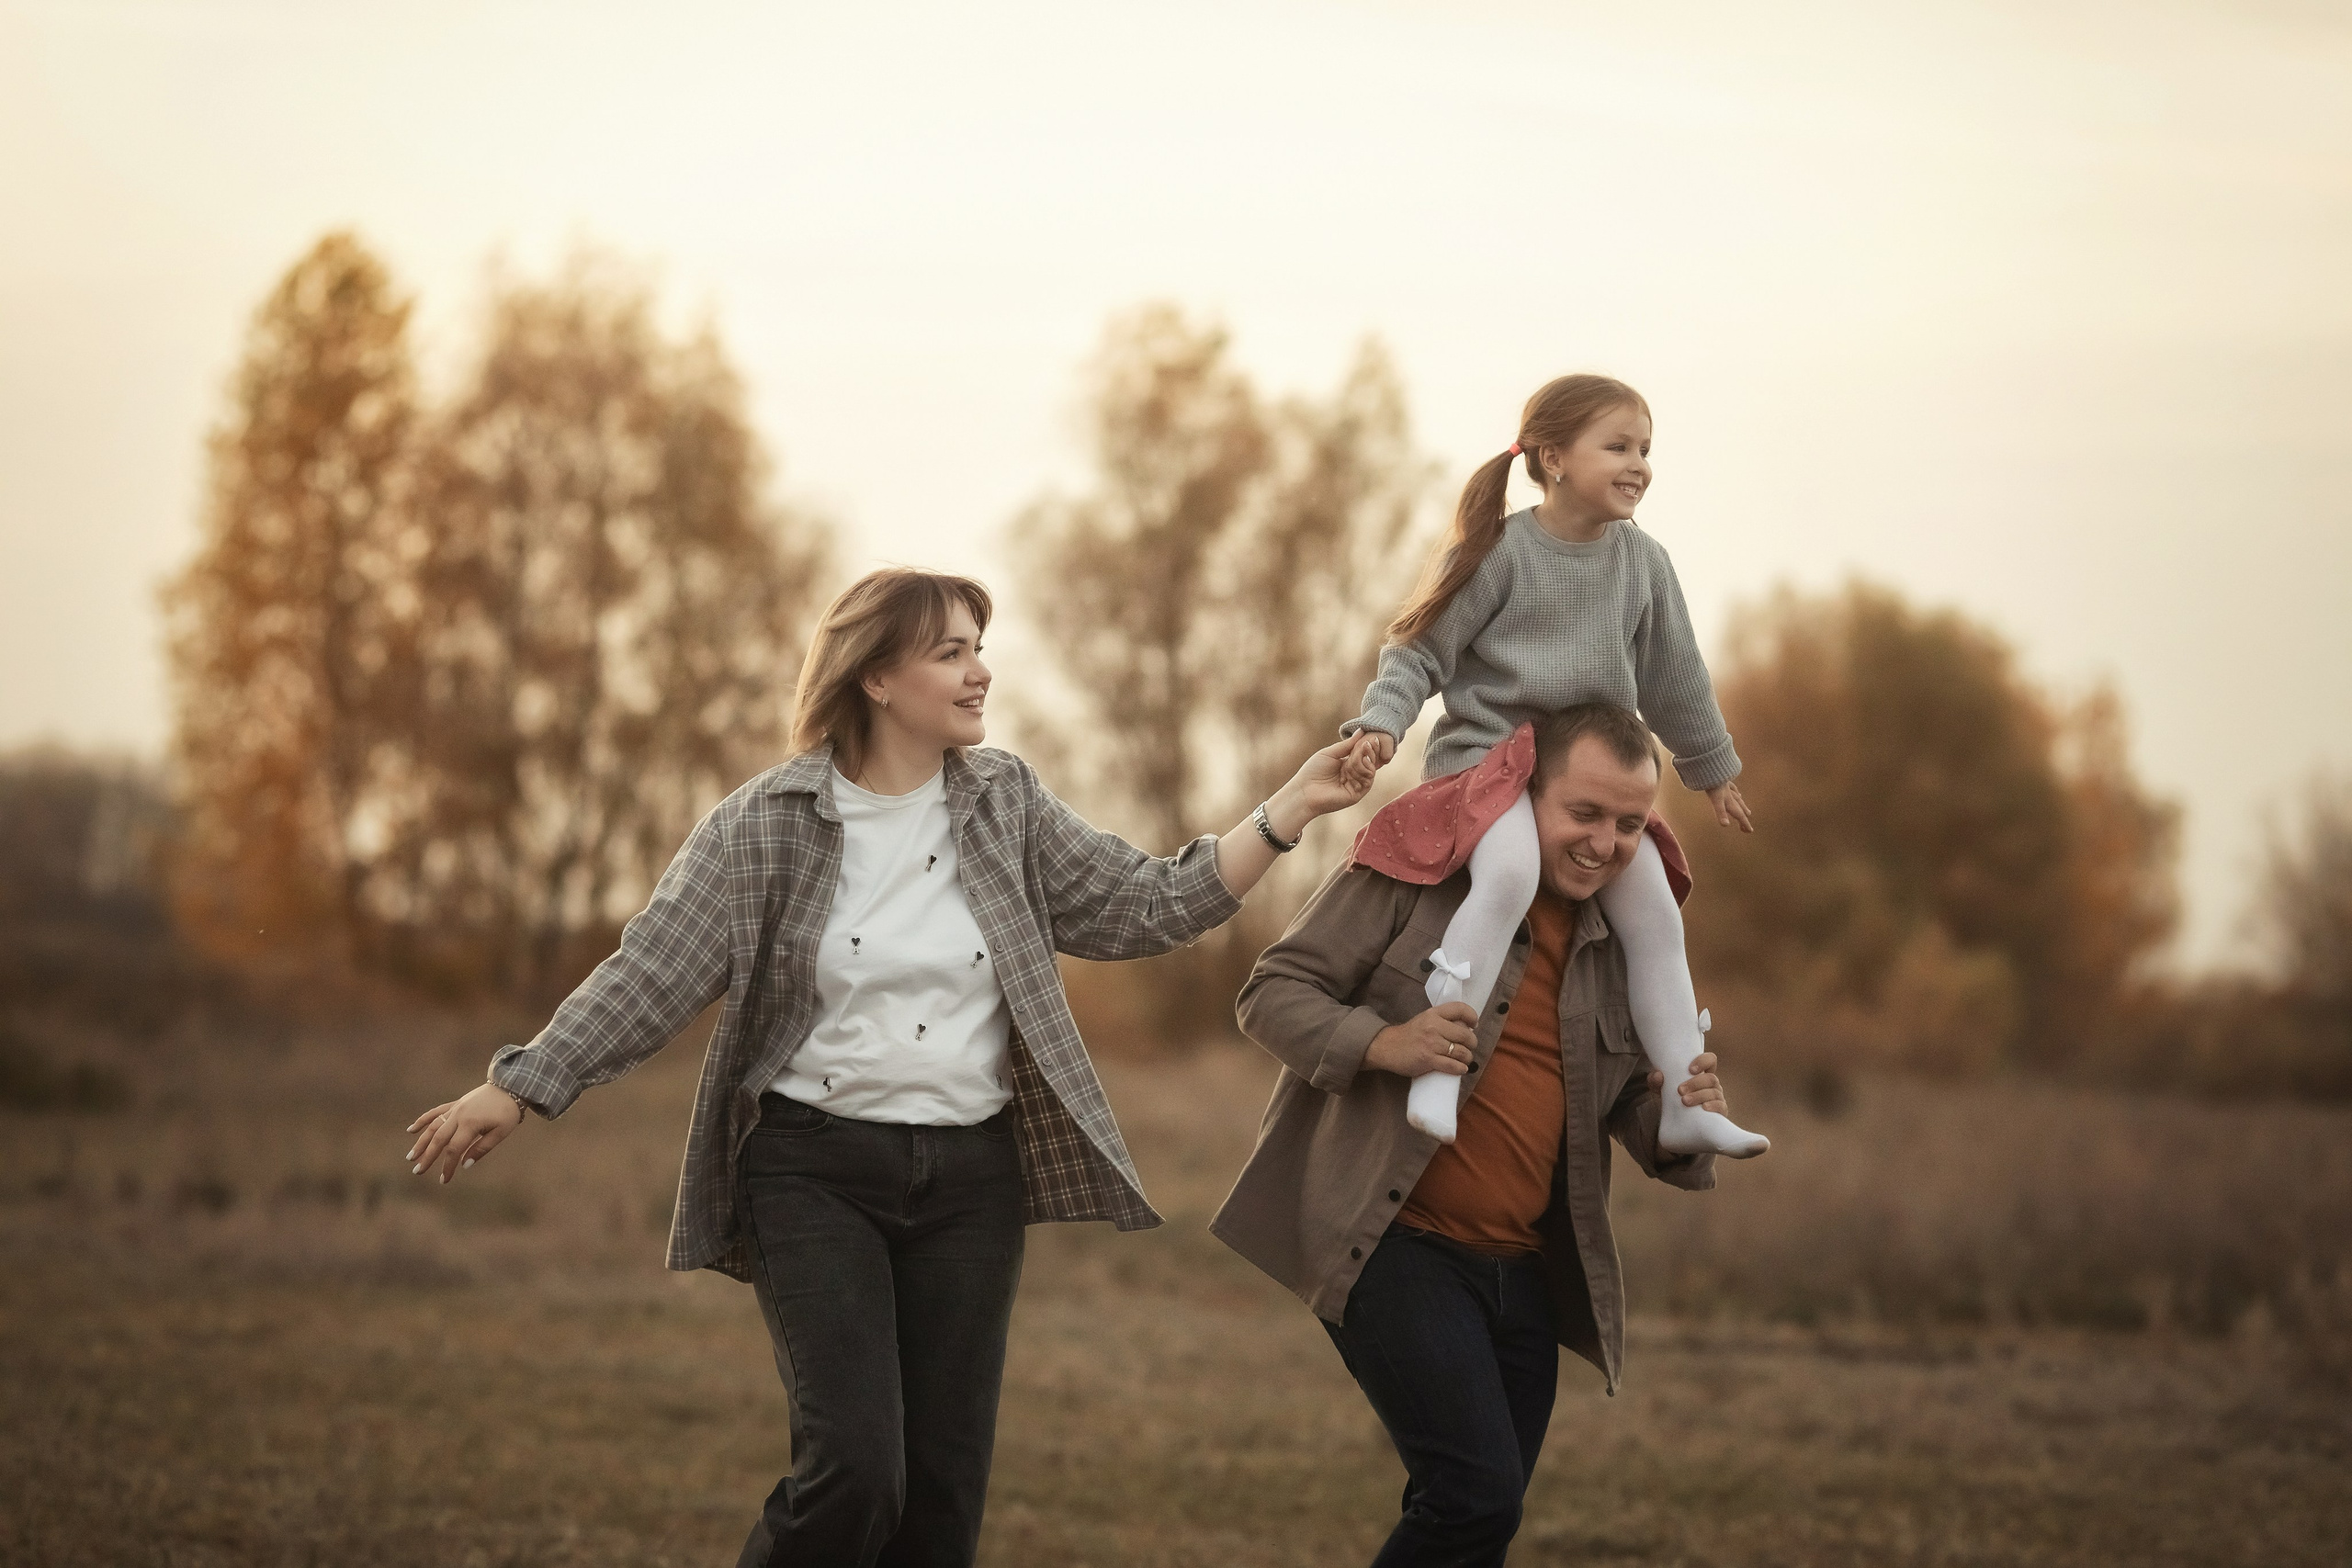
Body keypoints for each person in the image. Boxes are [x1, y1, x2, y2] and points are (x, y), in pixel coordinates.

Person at [401, 567, 1371, 1568]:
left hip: (970, 1187)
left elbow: (1150, 904)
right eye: (950, 652)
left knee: (940, 1504)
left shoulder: (1007, 804)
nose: (979, 673)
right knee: (857, 1473)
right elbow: (652, 972)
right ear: (872, 677)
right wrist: (520, 1083)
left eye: (978, 649)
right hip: (813, 1176)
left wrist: (1291, 807)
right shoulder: (764, 822)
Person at [1215, 703, 1737, 1566]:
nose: (1605, 843)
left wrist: (1683, 1115)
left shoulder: (1625, 943)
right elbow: (1270, 993)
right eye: (1584, 813)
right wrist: (1388, 1043)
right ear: (1525, 791)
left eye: (1630, 824)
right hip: (1393, 1246)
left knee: (1475, 1524)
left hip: (1528, 1272)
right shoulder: (1417, 870)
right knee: (1475, 1497)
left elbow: (1628, 1111)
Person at [1340, 374, 1768, 1156]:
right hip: (1491, 764)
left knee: (1656, 917)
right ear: (1553, 457)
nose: (1638, 463)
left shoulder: (1644, 564)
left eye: (1645, 449)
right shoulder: (1501, 551)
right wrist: (1381, 724)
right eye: (1618, 446)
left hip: (1590, 775)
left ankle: (1683, 1100)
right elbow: (1419, 648)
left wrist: (1712, 768)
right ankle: (1440, 1064)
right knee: (1506, 875)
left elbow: (1677, 677)